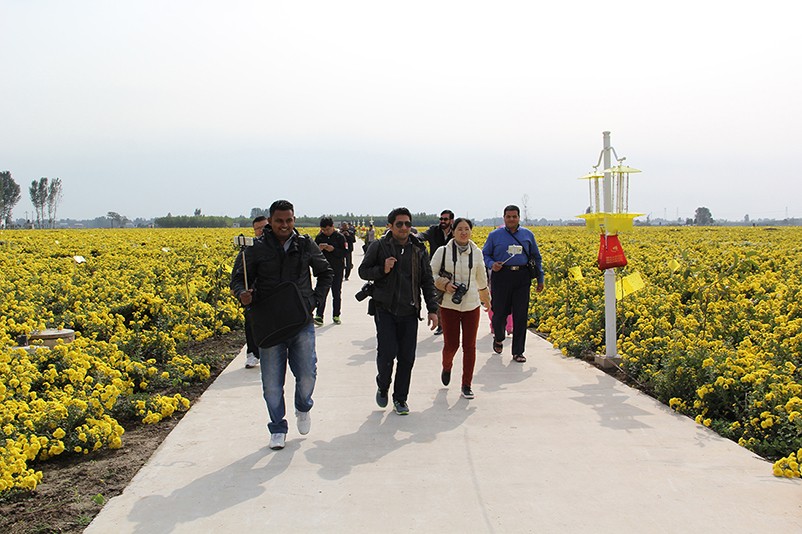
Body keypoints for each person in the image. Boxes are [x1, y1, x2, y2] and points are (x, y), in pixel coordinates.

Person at [230, 200, 333, 450]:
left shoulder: (304, 244)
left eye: (289, 220)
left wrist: (314, 301)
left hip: (300, 320)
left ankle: (303, 406)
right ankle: (277, 427)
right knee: (272, 383)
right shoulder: (256, 248)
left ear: (294, 220)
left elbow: (325, 272)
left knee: (307, 374)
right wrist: (242, 293)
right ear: (271, 221)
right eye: (279, 221)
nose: (284, 225)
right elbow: (238, 279)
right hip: (270, 322)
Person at [358, 207, 439, 415]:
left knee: (407, 357)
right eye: (399, 224)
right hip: (385, 309)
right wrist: (382, 269)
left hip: (410, 310)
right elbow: (363, 271)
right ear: (390, 226)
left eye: (407, 224)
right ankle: (383, 384)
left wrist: (432, 309)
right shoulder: (379, 246)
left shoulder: (418, 248)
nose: (404, 228)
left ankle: (400, 399)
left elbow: (427, 280)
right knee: (387, 353)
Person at [430, 218, 490, 399]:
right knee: (451, 345)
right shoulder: (443, 251)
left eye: (467, 229)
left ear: (471, 231)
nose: (463, 232)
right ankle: (447, 366)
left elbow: (481, 278)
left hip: (472, 305)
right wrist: (445, 284)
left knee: (470, 346)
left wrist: (486, 300)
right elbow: (430, 274)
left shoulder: (477, 252)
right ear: (453, 231)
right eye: (460, 229)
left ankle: (466, 384)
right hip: (449, 305)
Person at [482, 205, 544, 363]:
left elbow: (536, 257)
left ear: (519, 218)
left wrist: (540, 278)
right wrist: (492, 264)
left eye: (514, 216)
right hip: (501, 276)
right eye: (508, 216)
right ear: (504, 218)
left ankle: (518, 352)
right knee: (499, 313)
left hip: (522, 277)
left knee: (521, 315)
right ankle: (499, 337)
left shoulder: (527, 235)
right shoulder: (495, 235)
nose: (511, 219)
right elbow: (485, 254)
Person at [231, 215, 269, 368]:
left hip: (271, 294)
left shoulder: (278, 248)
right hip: (253, 295)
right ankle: (253, 353)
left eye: (264, 227)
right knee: (251, 323)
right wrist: (239, 291)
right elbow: (237, 276)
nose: (261, 231)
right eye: (257, 229)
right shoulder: (248, 251)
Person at [420, 210, 455, 335]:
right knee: (437, 297)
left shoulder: (456, 231)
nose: (442, 221)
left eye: (445, 219)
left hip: (452, 269)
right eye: (441, 219)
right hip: (436, 269)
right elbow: (423, 235)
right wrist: (414, 237)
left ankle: (451, 323)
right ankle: (441, 325)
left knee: (450, 298)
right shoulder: (434, 230)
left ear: (451, 221)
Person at [315, 217, 347, 325]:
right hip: (323, 270)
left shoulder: (340, 237)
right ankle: (319, 316)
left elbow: (345, 253)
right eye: (323, 230)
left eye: (327, 229)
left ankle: (336, 315)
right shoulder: (319, 237)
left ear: (333, 227)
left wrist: (333, 249)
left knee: (336, 293)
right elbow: (313, 254)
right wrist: (318, 249)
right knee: (322, 293)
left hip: (337, 269)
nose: (325, 232)